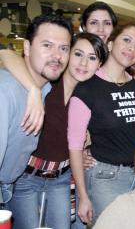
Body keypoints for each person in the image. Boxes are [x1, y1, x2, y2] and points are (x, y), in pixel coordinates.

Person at [4, 33, 107, 228]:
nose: (84, 63)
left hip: (61, 179)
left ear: (99, 65)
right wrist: (33, 90)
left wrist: (84, 151)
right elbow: (7, 54)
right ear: (67, 55)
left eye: (92, 58)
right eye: (78, 54)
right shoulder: (46, 83)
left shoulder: (89, 97)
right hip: (27, 178)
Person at [68, 22, 135, 225]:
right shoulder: (87, 88)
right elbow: (75, 145)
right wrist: (83, 195)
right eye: (127, 40)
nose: (132, 48)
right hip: (104, 177)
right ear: (110, 44)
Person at [0, 14, 72, 205]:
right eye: (47, 45)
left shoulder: (45, 89)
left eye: (64, 48)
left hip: (10, 188)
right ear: (27, 47)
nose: (57, 55)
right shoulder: (6, 91)